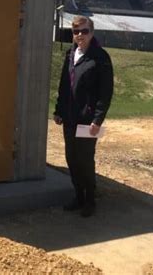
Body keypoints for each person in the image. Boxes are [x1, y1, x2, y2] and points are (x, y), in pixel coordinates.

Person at [53, 15, 113, 218]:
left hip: (87, 121)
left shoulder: (100, 57)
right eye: (76, 31)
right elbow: (64, 85)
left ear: (92, 33)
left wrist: (97, 120)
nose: (80, 35)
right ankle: (78, 196)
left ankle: (90, 200)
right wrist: (59, 110)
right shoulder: (71, 54)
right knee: (71, 159)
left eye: (84, 31)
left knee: (85, 160)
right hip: (69, 118)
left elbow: (106, 93)